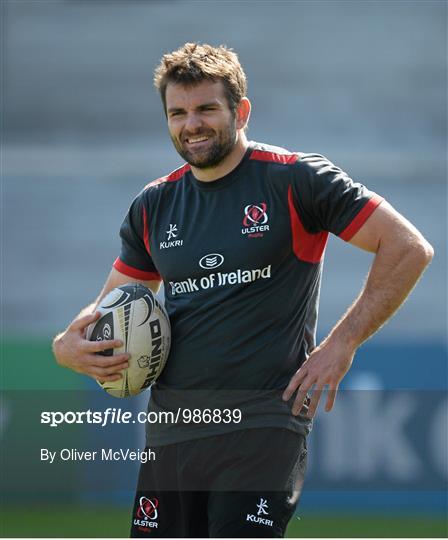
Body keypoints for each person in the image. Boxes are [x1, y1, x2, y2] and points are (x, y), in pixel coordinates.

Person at [53, 42, 434, 538]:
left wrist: (342, 344)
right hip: (172, 433)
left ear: (241, 110)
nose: (192, 124)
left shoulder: (295, 179)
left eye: (207, 108)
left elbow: (408, 247)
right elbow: (112, 302)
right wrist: (67, 345)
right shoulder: (153, 205)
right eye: (178, 113)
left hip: (263, 423)